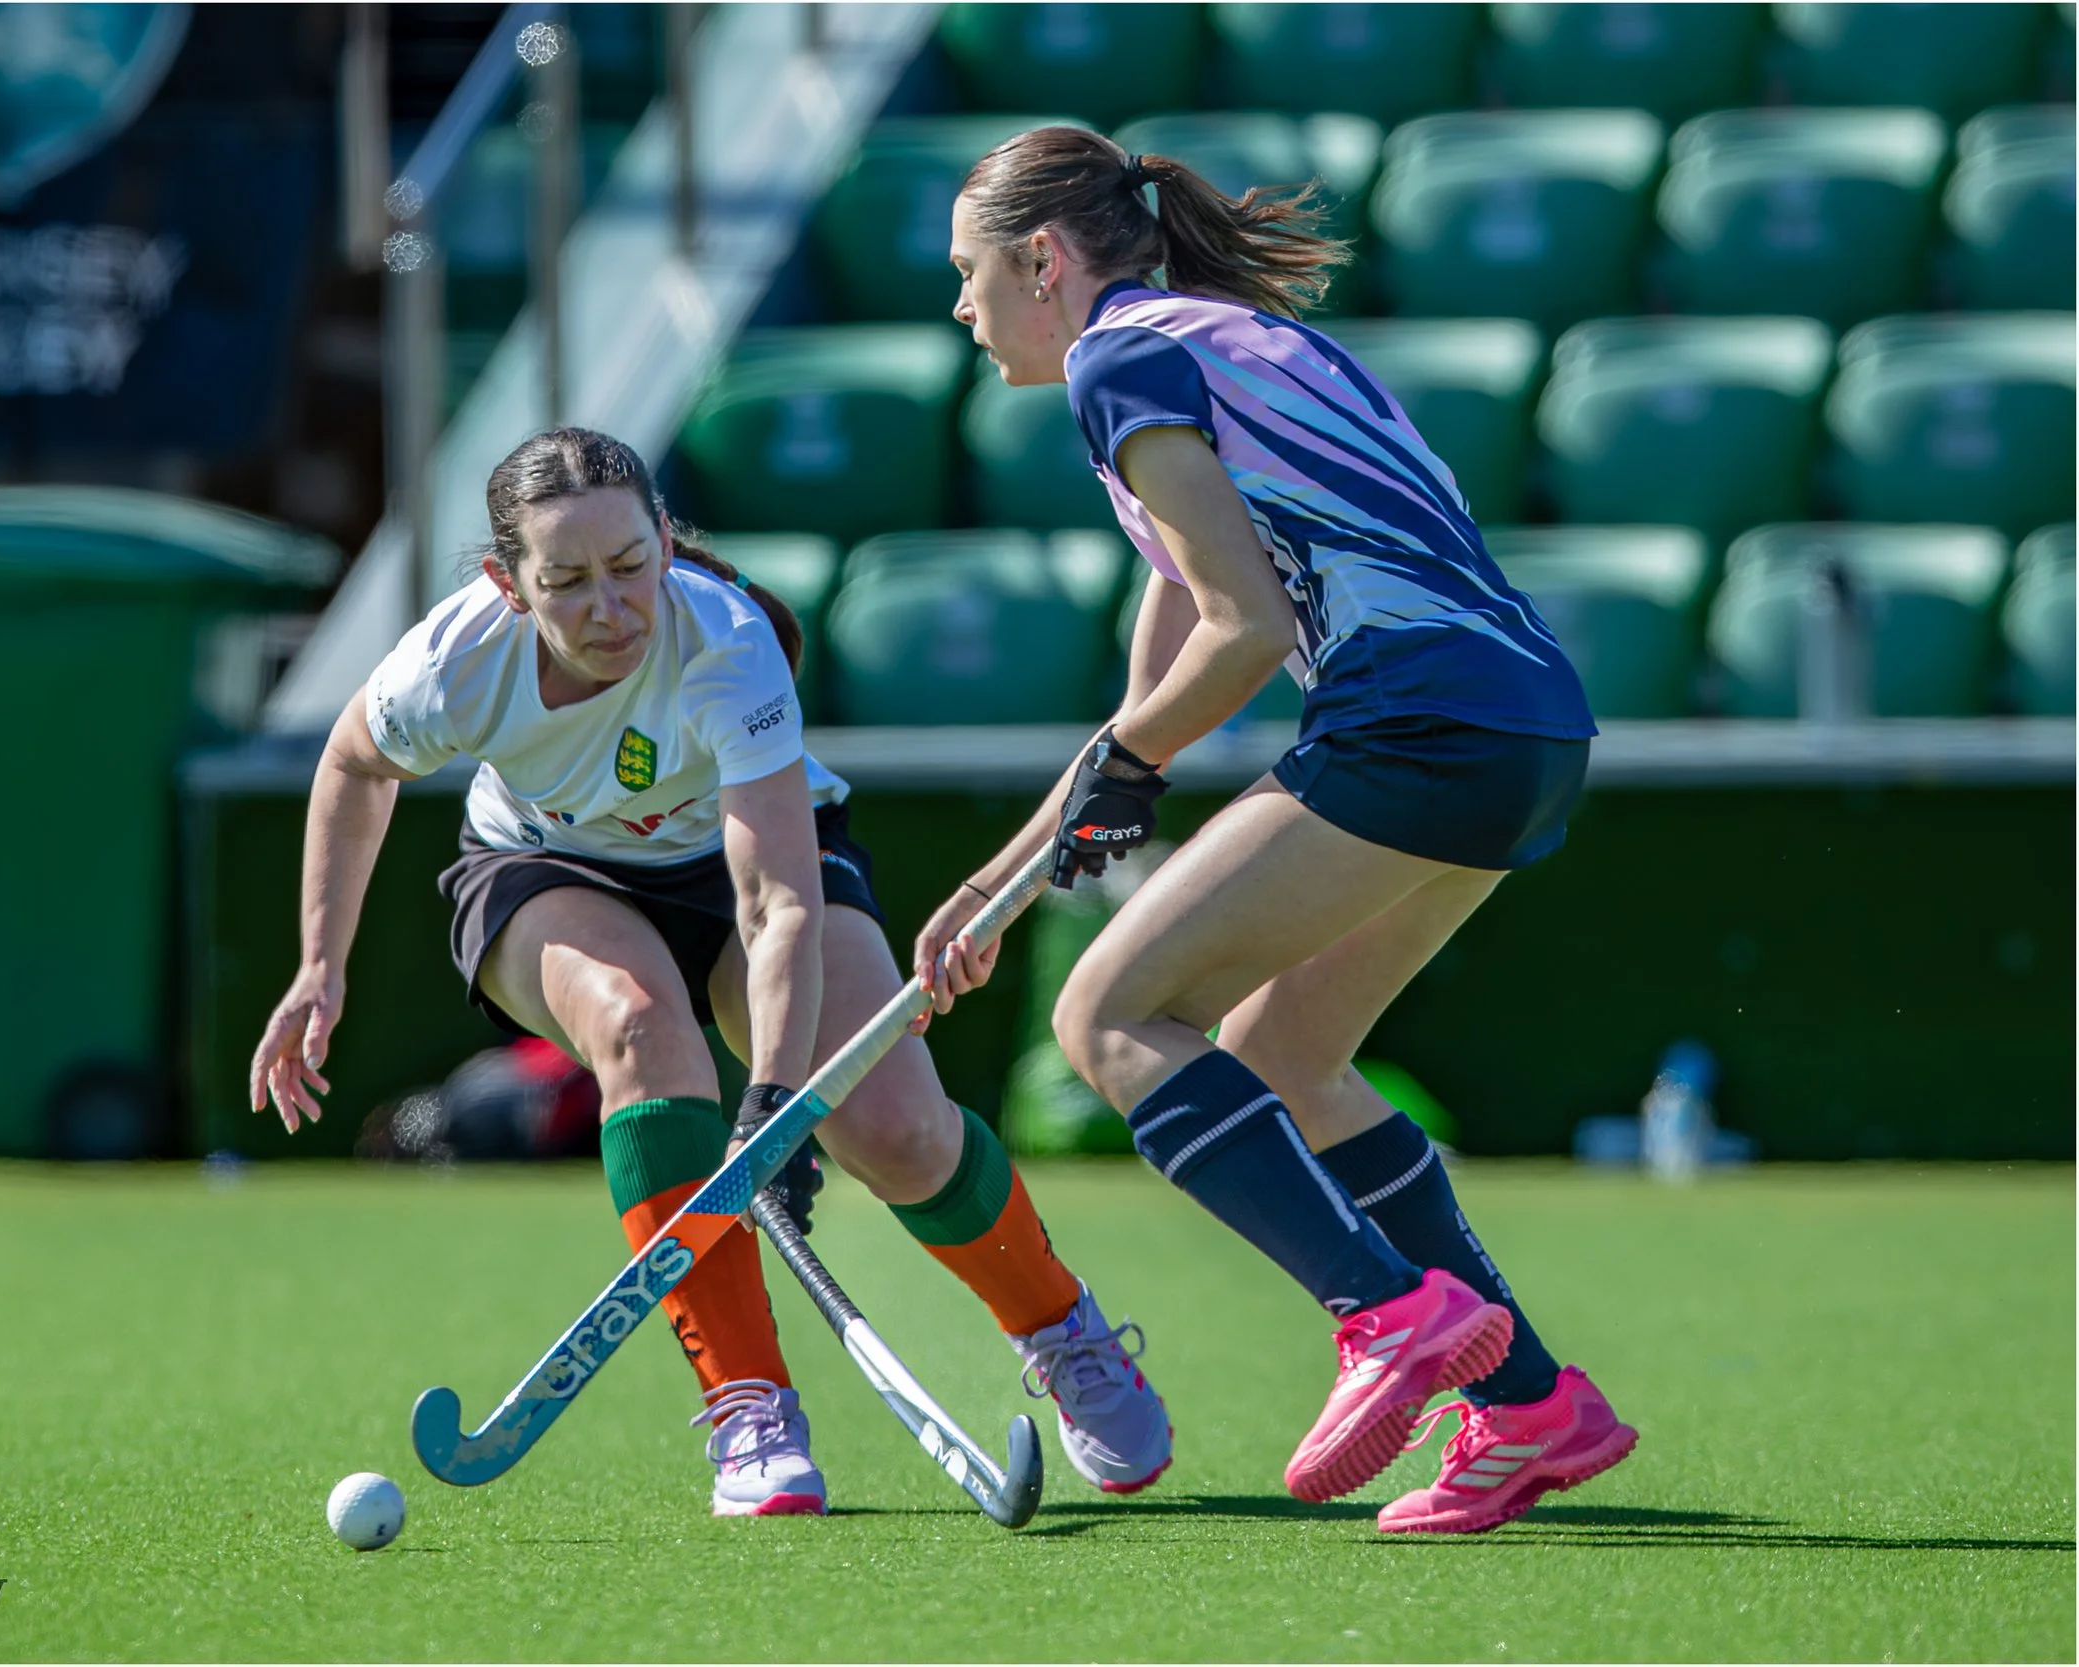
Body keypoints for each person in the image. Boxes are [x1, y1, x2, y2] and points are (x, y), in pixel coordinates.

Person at [912, 127, 1637, 1535]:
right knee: (1281, 1055)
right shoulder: (1226, 338)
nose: (961, 308)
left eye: (970, 273)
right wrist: (995, 884)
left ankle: (1384, 1310)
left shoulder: (1124, 364)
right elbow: (1159, 676)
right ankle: (1535, 1404)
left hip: (1417, 717)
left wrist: (1131, 762)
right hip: (1528, 724)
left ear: (1044, 262)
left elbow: (1242, 632)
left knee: (1110, 1015)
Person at [250, 426, 1172, 1518]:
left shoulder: (726, 642)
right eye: (568, 582)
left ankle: (1058, 1326)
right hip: (546, 868)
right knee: (641, 1029)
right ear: (509, 583)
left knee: (893, 1126)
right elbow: (354, 762)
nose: (611, 607)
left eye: (633, 566)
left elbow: (777, 899)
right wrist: (319, 962)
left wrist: (777, 1106)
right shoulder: (454, 661)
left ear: (663, 543)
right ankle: (750, 1404)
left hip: (746, 869)